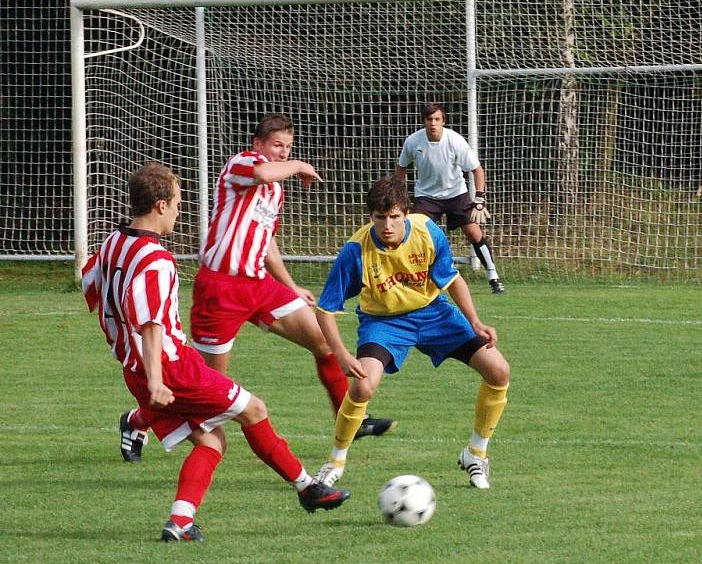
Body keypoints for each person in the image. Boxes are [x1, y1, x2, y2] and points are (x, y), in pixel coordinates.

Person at [83, 162, 350, 541]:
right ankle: (308, 488)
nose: (180, 210)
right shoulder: (157, 260)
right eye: (177, 202)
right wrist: (159, 379)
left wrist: (125, 346)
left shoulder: (113, 243)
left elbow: (90, 287)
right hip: (169, 367)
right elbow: (151, 322)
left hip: (134, 370)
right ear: (160, 206)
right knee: (254, 410)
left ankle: (180, 523)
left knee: (212, 440)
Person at [119, 114, 394, 463]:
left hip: (258, 286)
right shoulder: (243, 163)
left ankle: (351, 420)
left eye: (289, 148)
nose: (282, 153)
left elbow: (266, 243)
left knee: (322, 341)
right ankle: (136, 420)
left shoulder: (274, 190)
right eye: (277, 146)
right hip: (220, 288)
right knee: (208, 387)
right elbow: (265, 172)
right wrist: (298, 164)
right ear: (258, 145)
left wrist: (291, 287)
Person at [313, 175, 510, 490]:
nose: (388, 225)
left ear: (406, 212)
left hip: (434, 313)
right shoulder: (355, 251)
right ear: (370, 216)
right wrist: (342, 354)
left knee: (499, 370)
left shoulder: (427, 231)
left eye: (394, 217)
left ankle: (476, 454)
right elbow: (325, 309)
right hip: (384, 322)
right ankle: (334, 462)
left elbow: (452, 278)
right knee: (363, 387)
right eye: (380, 218)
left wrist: (474, 321)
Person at [395, 102, 505, 294]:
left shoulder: (455, 140)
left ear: (443, 121)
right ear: (424, 121)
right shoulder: (413, 141)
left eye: (437, 119)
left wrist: (479, 200)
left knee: (474, 233)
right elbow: (401, 168)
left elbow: (477, 170)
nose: (433, 123)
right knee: (418, 236)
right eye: (429, 119)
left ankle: (494, 277)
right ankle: (416, 279)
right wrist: (398, 195)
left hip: (456, 194)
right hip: (426, 197)